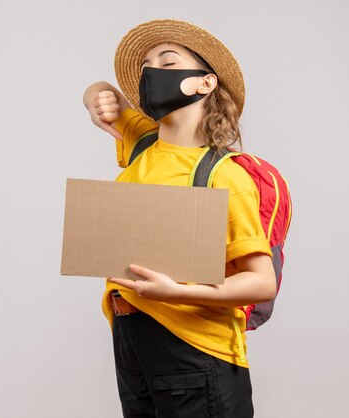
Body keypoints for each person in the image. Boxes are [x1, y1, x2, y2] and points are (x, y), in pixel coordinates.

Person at [82, 20, 276, 418]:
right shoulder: (143, 143)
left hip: (196, 348)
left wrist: (177, 293)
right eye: (147, 65)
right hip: (132, 338)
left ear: (204, 83)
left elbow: (262, 281)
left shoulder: (224, 174)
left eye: (167, 63)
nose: (152, 73)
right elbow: (101, 90)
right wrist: (96, 97)